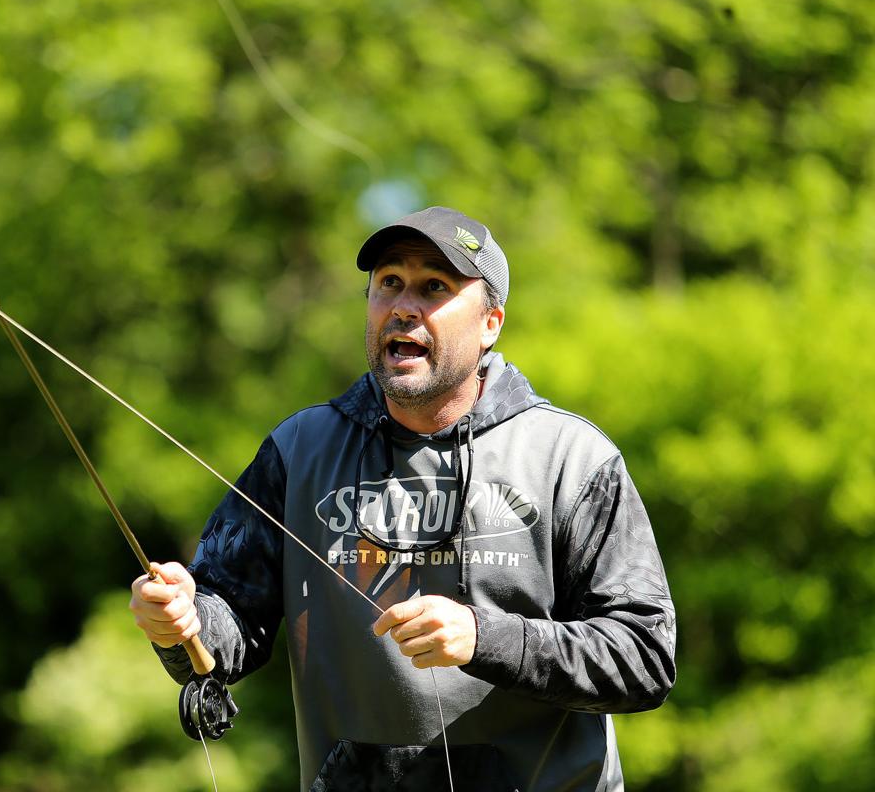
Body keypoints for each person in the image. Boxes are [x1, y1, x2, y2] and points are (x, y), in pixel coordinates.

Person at [129, 206, 676, 791]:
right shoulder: (298, 450)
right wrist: (180, 622)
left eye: (434, 287)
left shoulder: (571, 457)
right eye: (389, 283)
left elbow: (642, 657)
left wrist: (485, 638)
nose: (404, 306)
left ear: (491, 322)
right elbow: (226, 627)